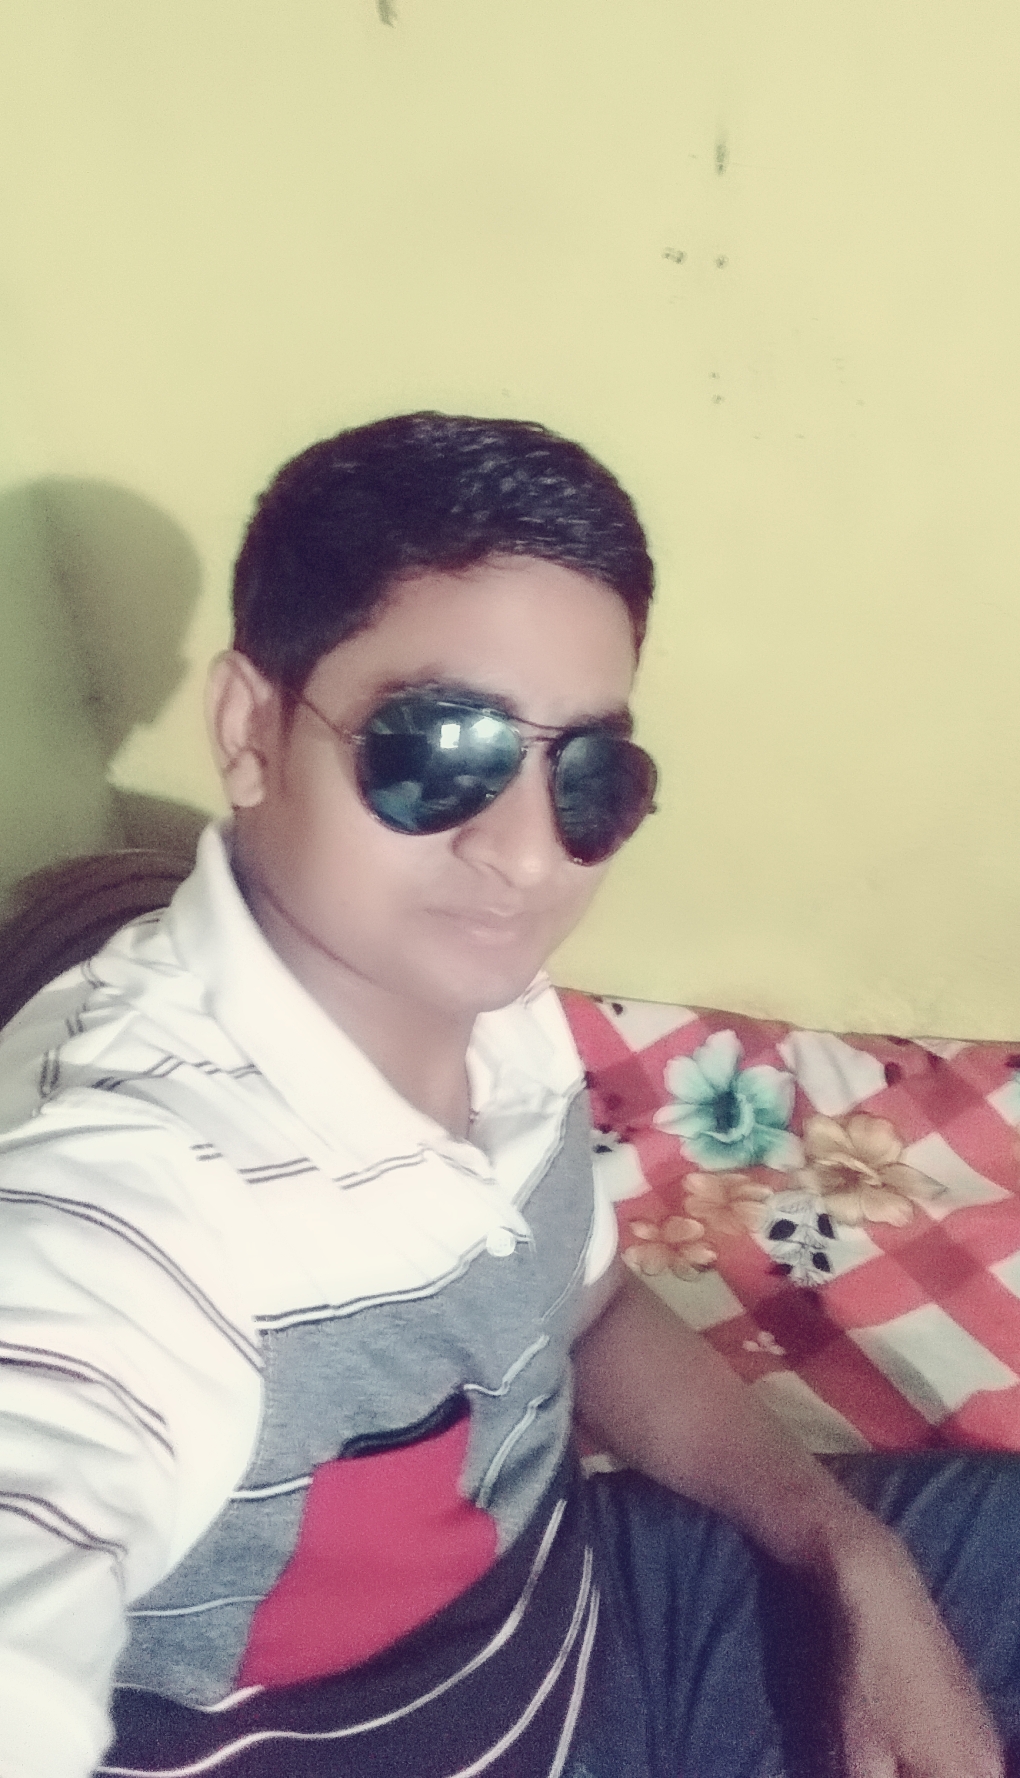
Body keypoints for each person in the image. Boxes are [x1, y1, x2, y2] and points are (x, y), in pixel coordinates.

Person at [0, 412, 1016, 1778]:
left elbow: (582, 1303)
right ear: (249, 730)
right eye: (440, 749)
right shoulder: (134, 1196)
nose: (530, 857)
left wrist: (844, 1550)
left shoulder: (483, 996)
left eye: (585, 772)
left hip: (606, 1632)